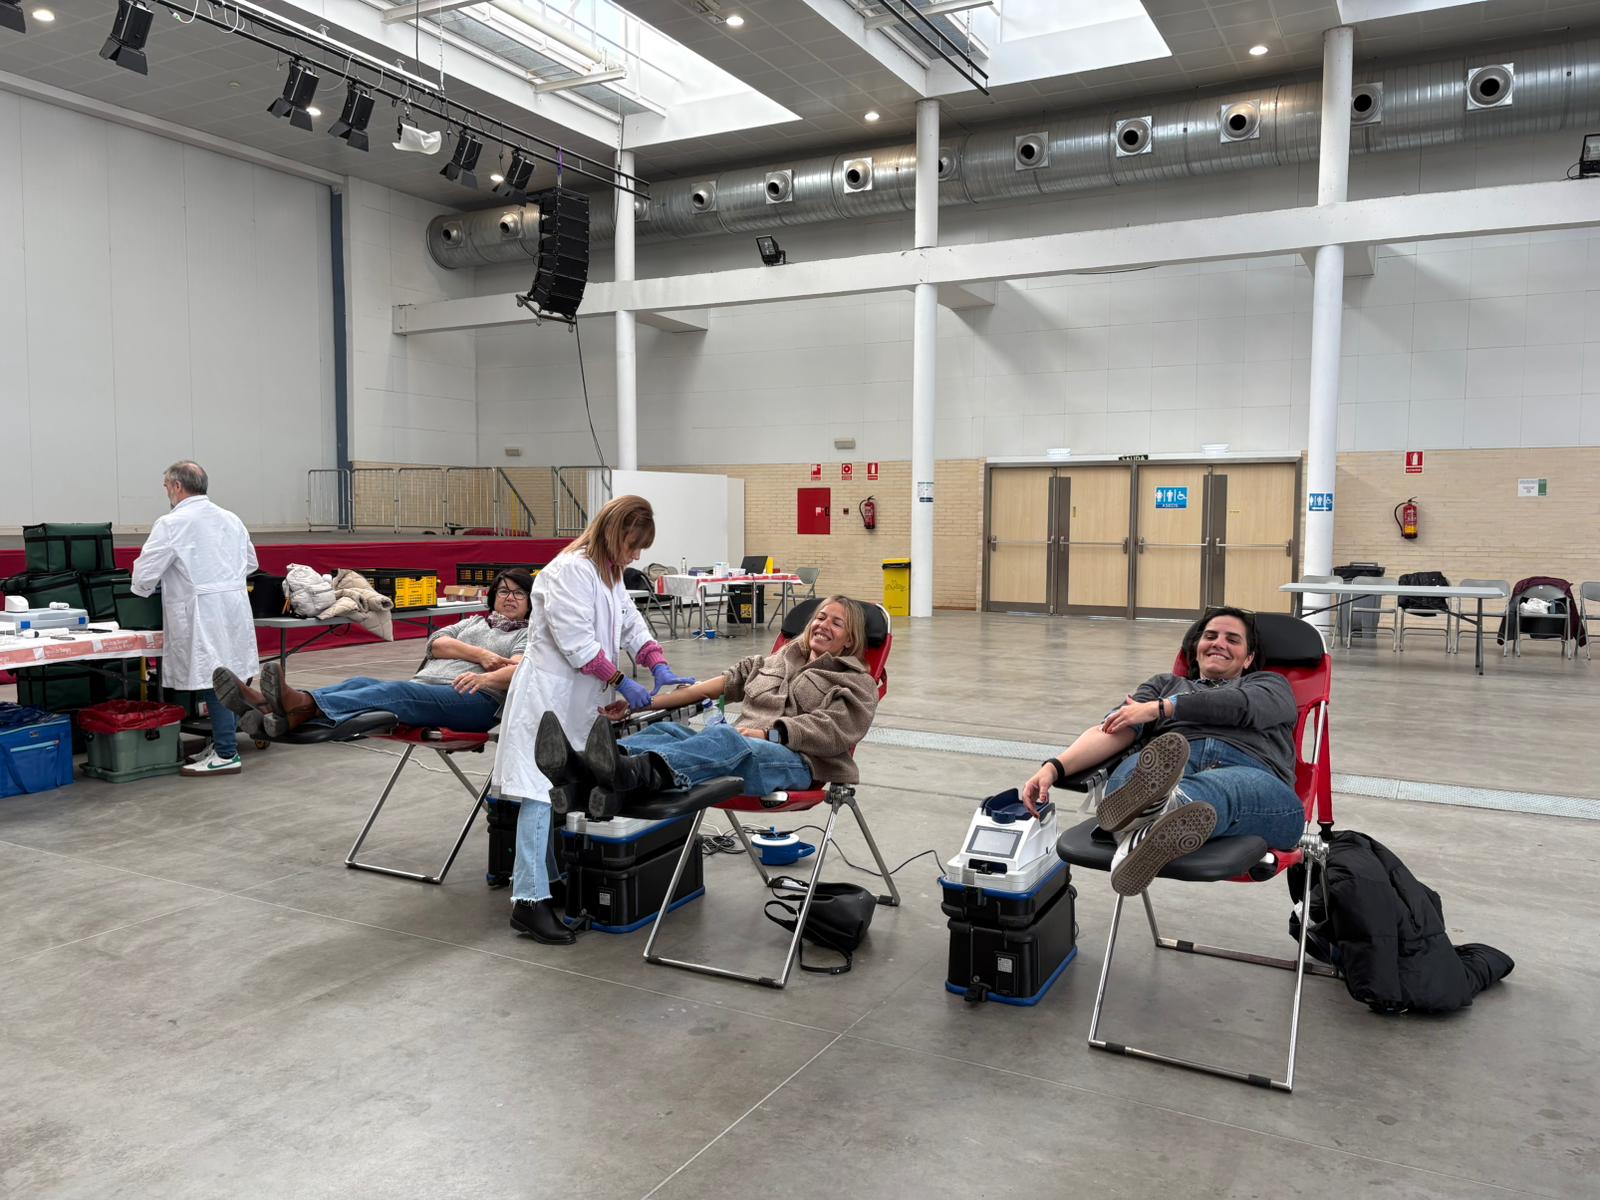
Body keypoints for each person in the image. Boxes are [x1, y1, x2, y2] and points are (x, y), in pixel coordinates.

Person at [494, 496, 694, 946]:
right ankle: (528, 903)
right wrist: (623, 682)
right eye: (633, 545)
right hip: (547, 698)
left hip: (578, 699)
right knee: (539, 793)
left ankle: (547, 882)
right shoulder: (567, 571)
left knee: (563, 788)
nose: (636, 555)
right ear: (612, 533)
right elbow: (577, 644)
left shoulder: (609, 573)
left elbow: (629, 622)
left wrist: (657, 662)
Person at [1022, 606, 1306, 897]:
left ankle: (1152, 816)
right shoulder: (1163, 684)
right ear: (1195, 649)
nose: (1219, 643)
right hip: (1171, 766)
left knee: (1227, 789)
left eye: (1232, 639)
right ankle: (1155, 821)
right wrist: (1053, 767)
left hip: (1252, 778)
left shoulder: (1270, 684)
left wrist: (1164, 708)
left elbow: (1240, 706)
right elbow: (1112, 729)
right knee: (1138, 770)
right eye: (1210, 636)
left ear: (1248, 658)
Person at [534, 596, 878, 819]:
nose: (823, 625)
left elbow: (835, 731)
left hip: (796, 764)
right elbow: (704, 690)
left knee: (725, 738)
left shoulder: (854, 681)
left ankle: (633, 774)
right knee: (668, 731)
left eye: (836, 623)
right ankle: (581, 770)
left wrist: (769, 734)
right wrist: (638, 706)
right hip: (740, 750)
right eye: (820, 617)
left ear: (850, 639)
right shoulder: (772, 661)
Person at [210, 569, 534, 737]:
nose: (509, 597)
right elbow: (436, 644)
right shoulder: (473, 621)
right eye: (504, 591)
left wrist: (486, 677)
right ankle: (271, 707)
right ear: (492, 596)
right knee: (359, 682)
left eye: (519, 593)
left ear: (532, 601)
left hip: (475, 702)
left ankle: (299, 705)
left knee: (397, 692)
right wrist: (481, 656)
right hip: (430, 688)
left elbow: (518, 669)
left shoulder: (528, 633)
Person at [131, 461, 259, 778]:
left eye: (166, 486)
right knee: (230, 675)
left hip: (201, 609)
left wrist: (144, 588)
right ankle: (221, 743)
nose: (166, 492)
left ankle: (226, 753)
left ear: (177, 486)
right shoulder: (231, 518)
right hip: (233, 605)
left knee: (214, 679)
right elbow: (251, 563)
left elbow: (145, 573)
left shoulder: (171, 523)